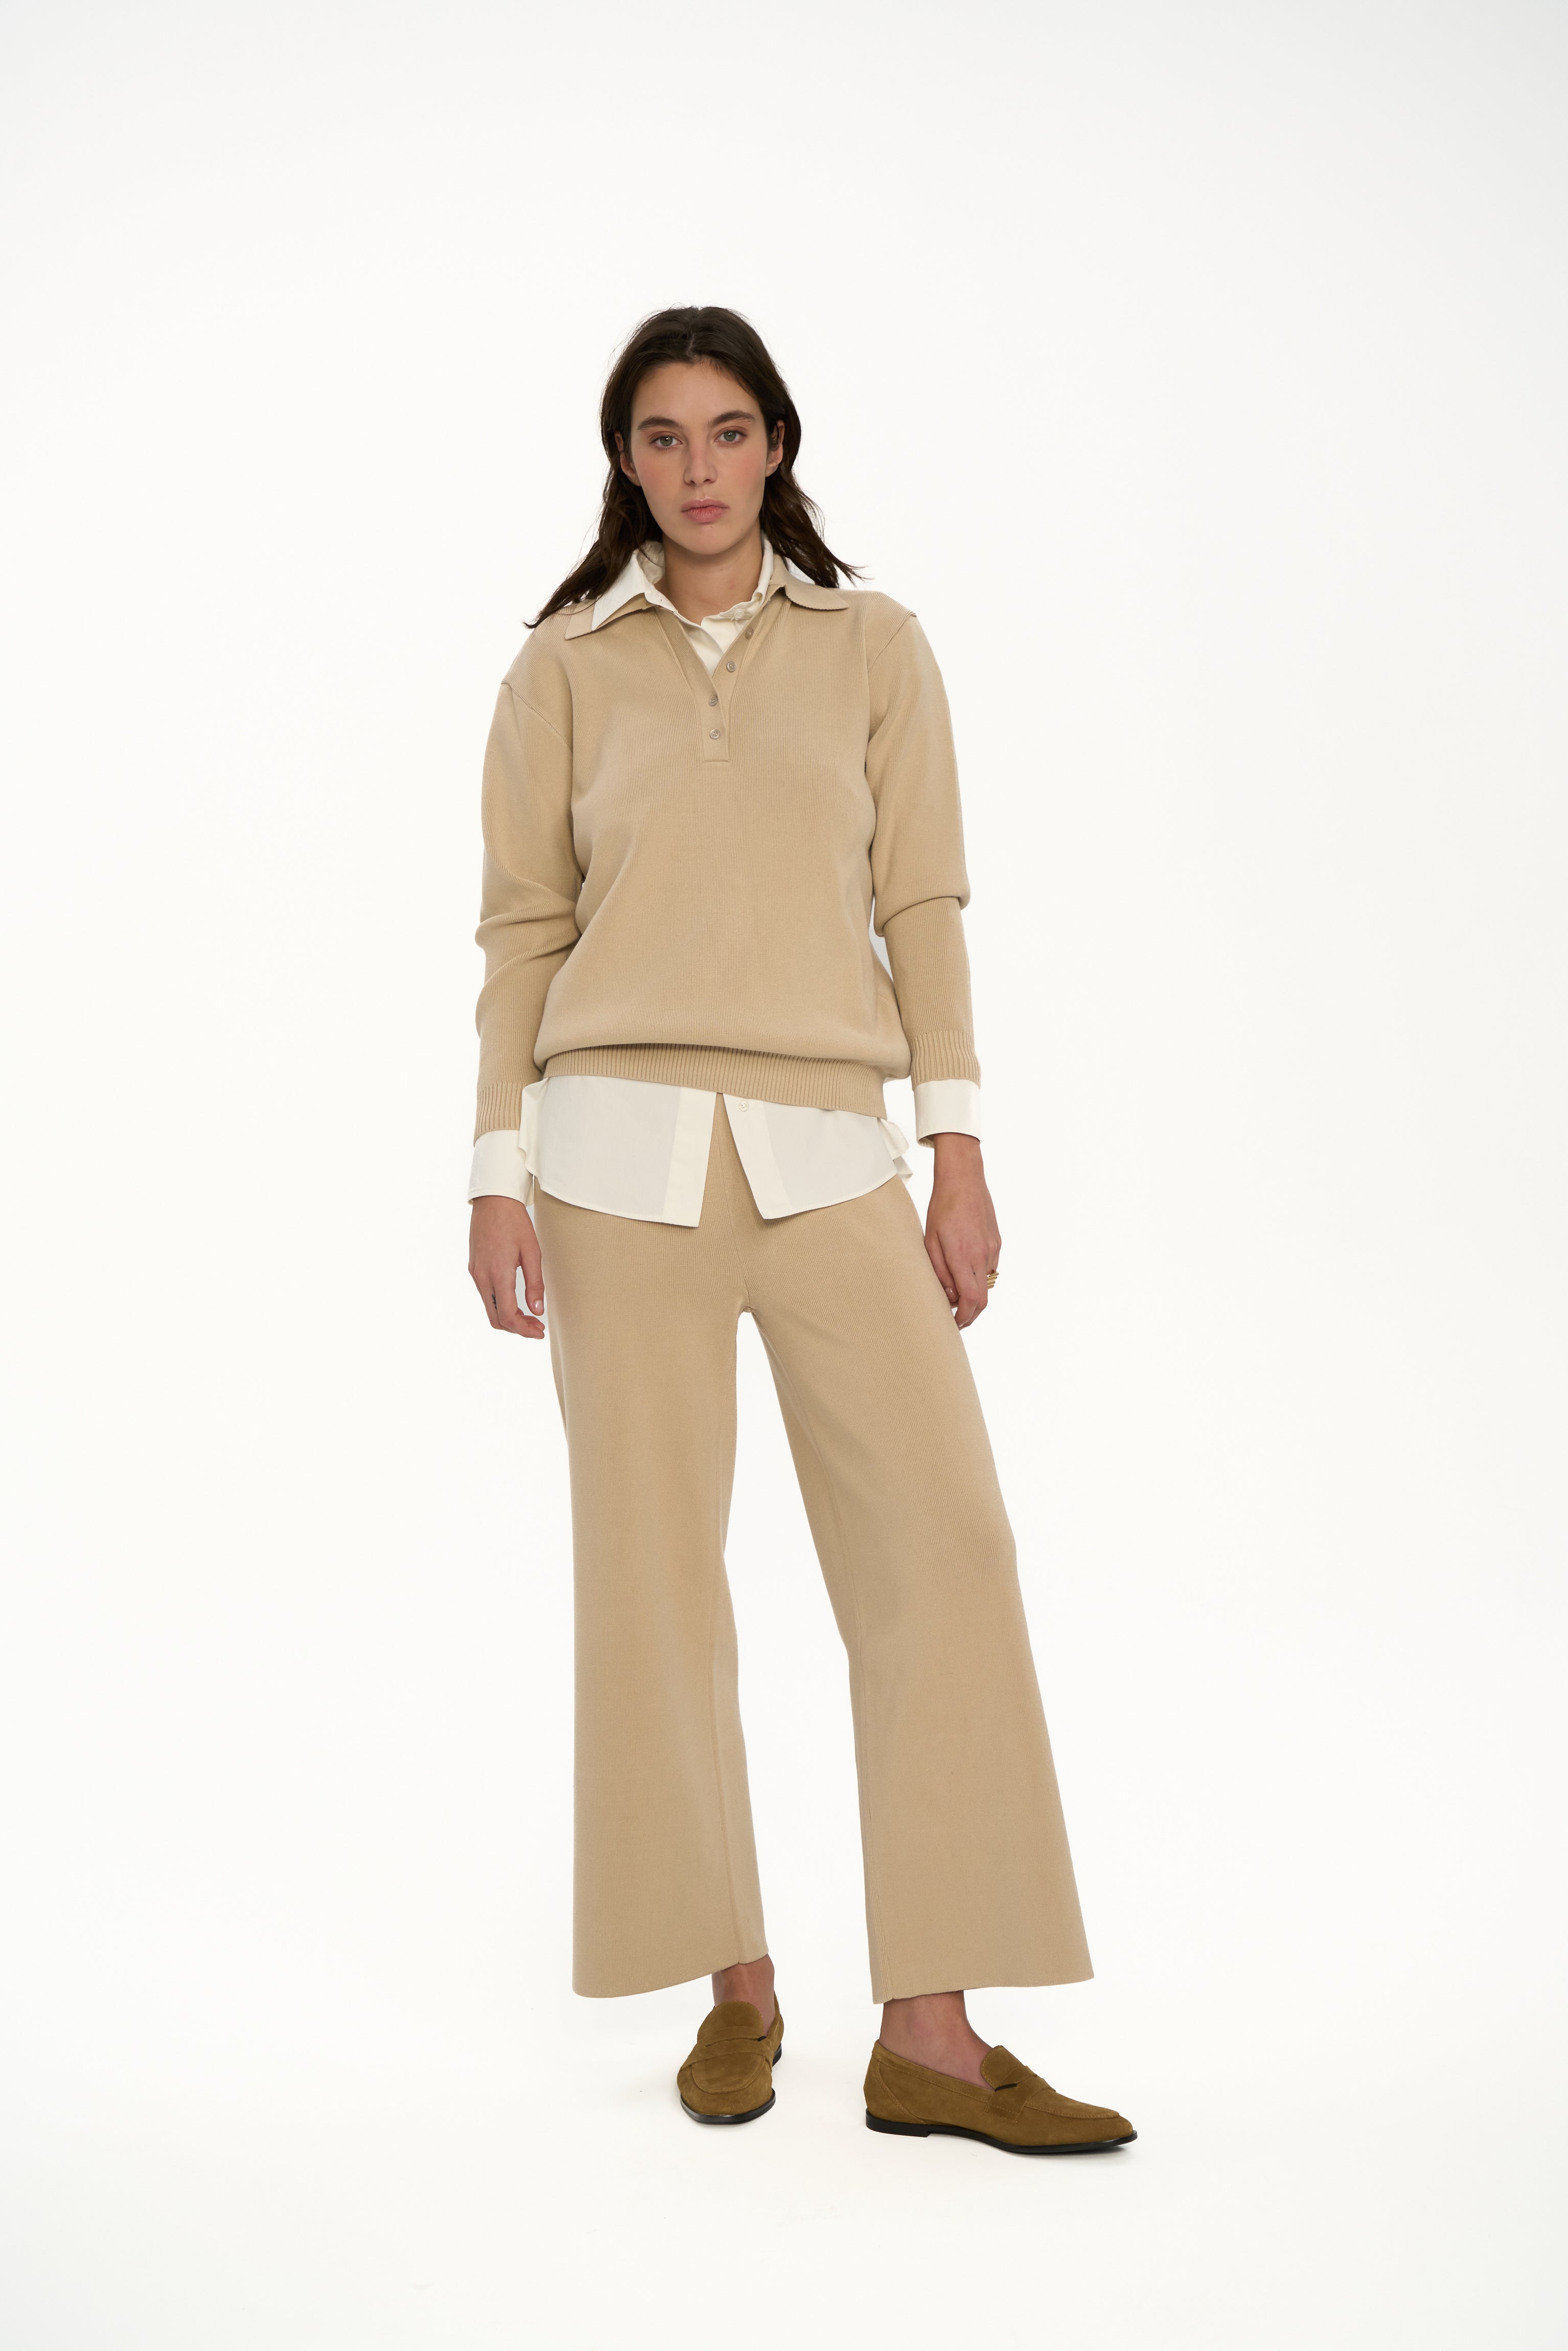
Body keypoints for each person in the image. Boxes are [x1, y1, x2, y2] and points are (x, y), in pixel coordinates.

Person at [466, 306, 1134, 2155]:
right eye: (661, 436)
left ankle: (931, 2031)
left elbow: (922, 902)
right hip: (612, 1163)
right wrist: (494, 1169)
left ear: (777, 444)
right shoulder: (559, 669)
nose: (696, 467)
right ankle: (735, 1984)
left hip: (836, 1153)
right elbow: (520, 935)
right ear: (624, 460)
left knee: (946, 1552)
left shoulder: (874, 647)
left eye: (727, 430)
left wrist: (958, 1150)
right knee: (655, 1582)